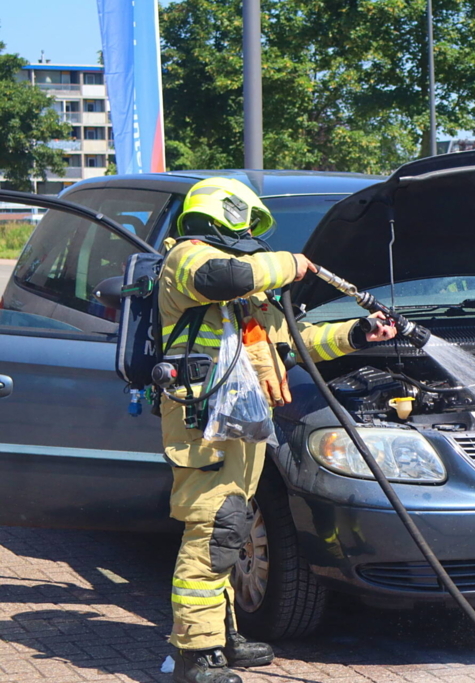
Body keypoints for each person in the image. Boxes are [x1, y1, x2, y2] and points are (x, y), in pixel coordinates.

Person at [158, 178, 396, 683]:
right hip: (204, 426)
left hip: (242, 423)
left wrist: (357, 332)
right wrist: (293, 262)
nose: (252, 243)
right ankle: (192, 656)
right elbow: (226, 276)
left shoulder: (252, 291)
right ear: (226, 217)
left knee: (233, 527)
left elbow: (292, 344)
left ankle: (222, 635)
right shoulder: (188, 259)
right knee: (212, 530)